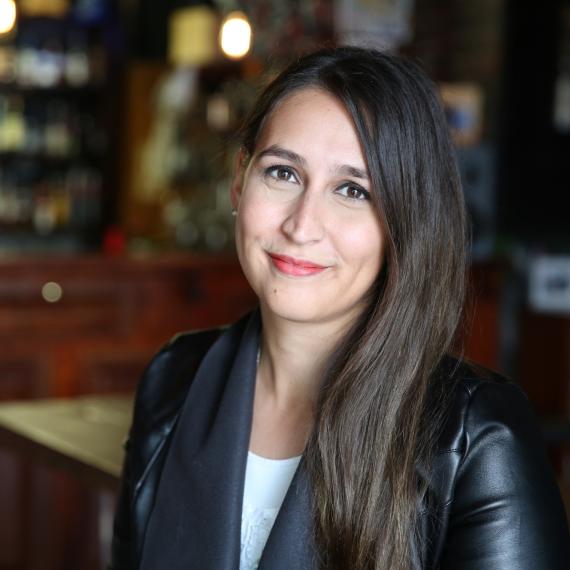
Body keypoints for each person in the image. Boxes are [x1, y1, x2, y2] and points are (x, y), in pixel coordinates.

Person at [110, 47, 570, 570]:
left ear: (405, 224)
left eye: (352, 190)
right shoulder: (175, 379)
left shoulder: (479, 440)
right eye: (283, 173)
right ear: (240, 179)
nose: (302, 226)